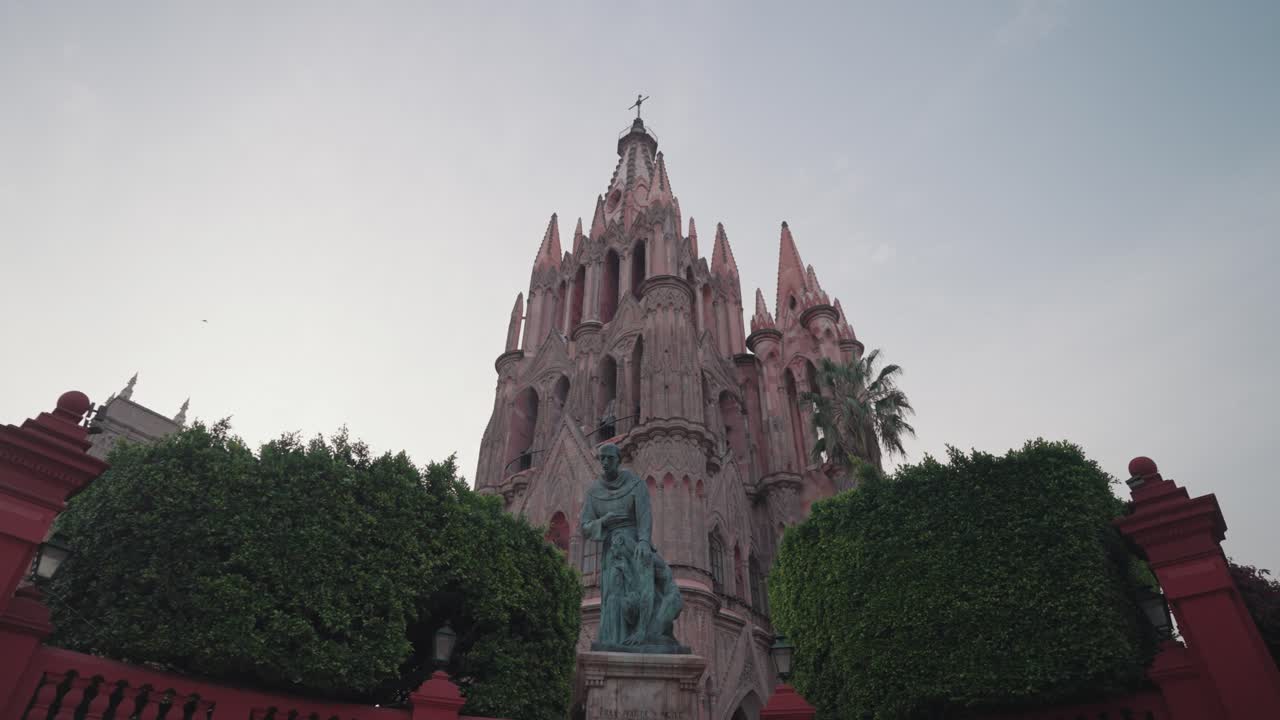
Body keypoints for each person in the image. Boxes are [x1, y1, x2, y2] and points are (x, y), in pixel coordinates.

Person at [580, 443, 684, 651]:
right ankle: (614, 640)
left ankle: (643, 632)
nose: (605, 462)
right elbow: (584, 527)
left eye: (610, 458)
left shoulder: (636, 484)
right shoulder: (593, 492)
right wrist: (604, 521)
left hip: (634, 542)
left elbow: (644, 516)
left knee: (641, 586)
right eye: (602, 458)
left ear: (618, 460)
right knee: (613, 593)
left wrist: (643, 542)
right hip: (611, 550)